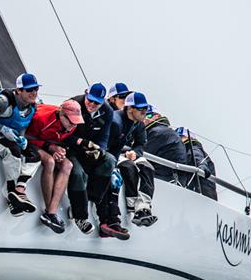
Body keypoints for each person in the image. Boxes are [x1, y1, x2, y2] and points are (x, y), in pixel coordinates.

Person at [0, 73, 42, 216]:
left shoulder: (34, 105)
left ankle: (20, 188)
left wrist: (22, 138)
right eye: (29, 90)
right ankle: (10, 192)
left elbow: (23, 123)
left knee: (35, 156)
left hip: (12, 137)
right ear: (18, 91)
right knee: (13, 152)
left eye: (35, 89)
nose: (34, 93)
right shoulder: (3, 101)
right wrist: (2, 129)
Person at [26, 99, 84, 233]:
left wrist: (61, 151)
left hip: (48, 144)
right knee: (50, 162)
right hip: (33, 142)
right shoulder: (41, 118)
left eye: (76, 122)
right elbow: (26, 136)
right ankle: (49, 210)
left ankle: (52, 212)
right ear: (61, 114)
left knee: (67, 165)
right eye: (70, 121)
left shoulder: (72, 125)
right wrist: (50, 147)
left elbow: (61, 139)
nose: (72, 126)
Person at [66, 83, 117, 234]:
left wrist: (99, 150)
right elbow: (62, 133)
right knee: (78, 173)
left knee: (109, 160)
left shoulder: (107, 111)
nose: (93, 104)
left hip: (89, 150)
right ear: (86, 94)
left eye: (97, 102)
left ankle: (89, 200)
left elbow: (104, 137)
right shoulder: (74, 104)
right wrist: (80, 142)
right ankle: (80, 216)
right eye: (90, 100)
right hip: (71, 148)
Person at [105, 92, 157, 231]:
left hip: (128, 153)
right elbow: (107, 144)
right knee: (128, 166)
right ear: (129, 108)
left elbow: (140, 144)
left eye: (145, 108)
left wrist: (135, 152)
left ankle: (143, 207)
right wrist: (123, 152)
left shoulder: (139, 123)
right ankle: (131, 204)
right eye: (141, 109)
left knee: (147, 166)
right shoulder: (116, 120)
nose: (144, 112)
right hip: (114, 152)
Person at [143, 108, 189, 183]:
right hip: (171, 179)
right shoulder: (165, 131)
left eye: (148, 115)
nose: (144, 118)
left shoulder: (158, 132)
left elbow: (144, 152)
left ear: (157, 116)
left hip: (163, 179)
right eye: (142, 115)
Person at [177, 127, 218, 201]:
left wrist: (201, 166)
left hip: (202, 195)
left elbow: (197, 157)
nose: (179, 139)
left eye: (181, 137)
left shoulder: (193, 148)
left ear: (187, 137)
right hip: (205, 195)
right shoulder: (191, 149)